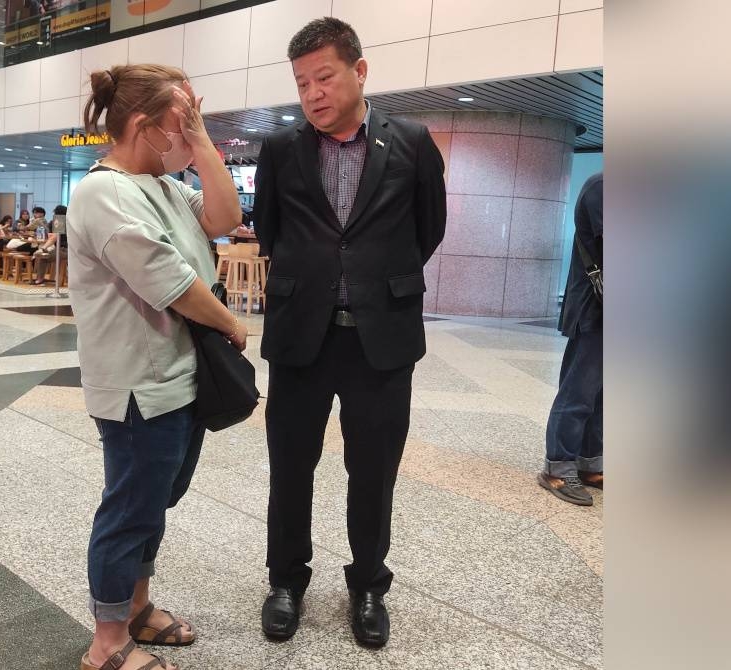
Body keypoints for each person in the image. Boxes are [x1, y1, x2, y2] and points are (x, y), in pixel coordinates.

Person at [253, 17, 446, 648]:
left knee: (374, 471)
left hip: (380, 339)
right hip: (300, 338)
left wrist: (372, 280)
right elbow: (271, 230)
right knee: (290, 466)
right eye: (302, 83)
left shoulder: (412, 142)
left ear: (359, 71)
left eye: (324, 77)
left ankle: (368, 585)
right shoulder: (280, 149)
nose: (312, 93)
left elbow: (428, 229)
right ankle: (286, 581)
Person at [67, 64, 244, 670]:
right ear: (144, 125)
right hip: (137, 388)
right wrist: (229, 322)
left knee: (153, 503)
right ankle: (107, 641)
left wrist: (201, 140)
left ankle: (137, 607)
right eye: (181, 120)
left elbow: (225, 218)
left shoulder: (163, 187)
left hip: (176, 380)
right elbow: (172, 284)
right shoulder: (104, 193)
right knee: (129, 510)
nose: (189, 129)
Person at [539, 172, 604, 506]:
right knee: (578, 392)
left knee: (603, 396)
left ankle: (590, 463)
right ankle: (558, 466)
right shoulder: (602, 187)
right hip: (596, 310)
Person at [33, 204, 67, 285]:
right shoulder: (70, 221)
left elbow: (54, 237)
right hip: (72, 250)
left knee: (43, 257)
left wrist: (42, 248)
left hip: (63, 250)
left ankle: (39, 279)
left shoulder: (60, 221)